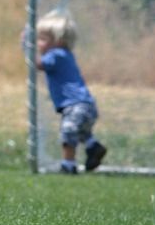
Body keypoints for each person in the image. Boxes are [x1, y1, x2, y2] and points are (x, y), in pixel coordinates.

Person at [35, 11, 107, 174]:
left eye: (42, 39)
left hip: (75, 106)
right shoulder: (65, 54)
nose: (38, 44)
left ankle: (68, 165)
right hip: (86, 104)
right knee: (81, 132)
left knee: (68, 132)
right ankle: (93, 147)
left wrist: (26, 47)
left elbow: (38, 65)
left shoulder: (56, 55)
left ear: (59, 41)